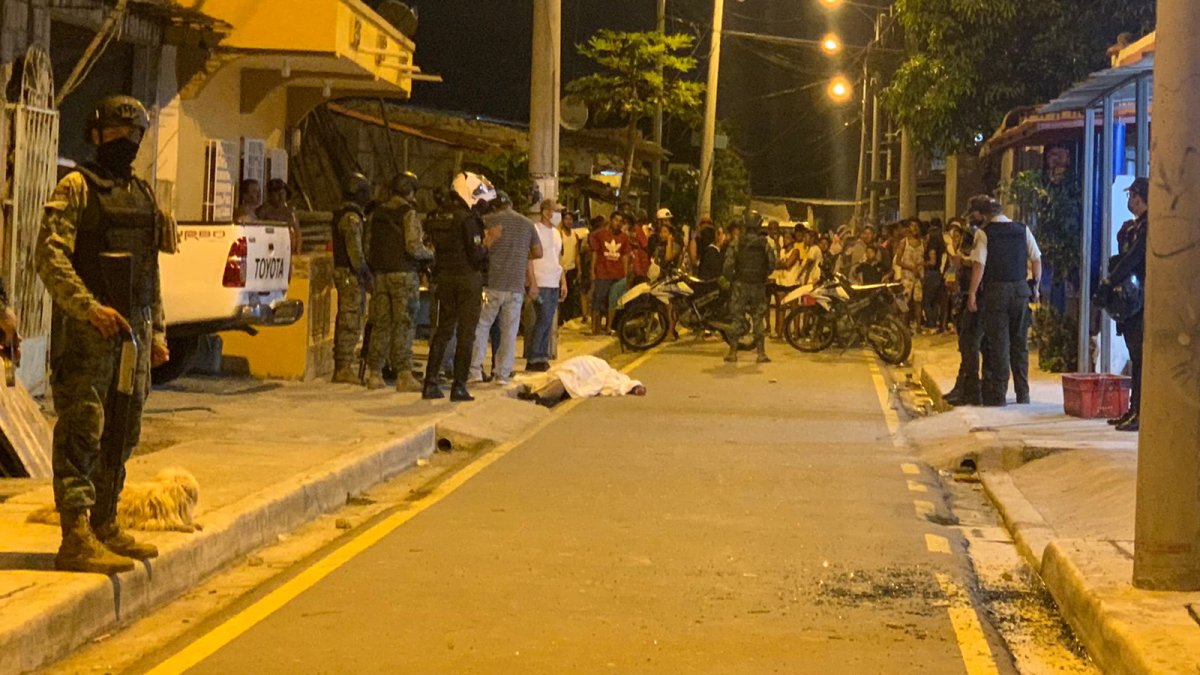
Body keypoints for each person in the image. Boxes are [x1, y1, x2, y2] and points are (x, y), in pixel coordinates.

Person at [35, 95, 174, 573]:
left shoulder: (142, 193)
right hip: (87, 332)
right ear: (96, 135)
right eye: (116, 135)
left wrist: (156, 330)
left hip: (131, 334)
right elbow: (48, 257)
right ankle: (75, 536)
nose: (126, 144)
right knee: (83, 428)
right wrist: (89, 308)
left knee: (123, 427)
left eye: (133, 137)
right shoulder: (76, 187)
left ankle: (105, 521)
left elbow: (150, 271)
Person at [423, 171, 501, 401]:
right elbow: (476, 254)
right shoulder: (467, 219)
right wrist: (490, 242)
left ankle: (430, 382)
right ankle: (459, 386)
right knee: (467, 334)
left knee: (443, 331)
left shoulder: (438, 216)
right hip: (467, 280)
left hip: (444, 278)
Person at [967, 196, 1042, 407]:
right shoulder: (1022, 229)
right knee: (1020, 344)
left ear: (984, 215)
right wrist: (1034, 286)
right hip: (1020, 291)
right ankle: (1023, 394)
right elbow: (1036, 259)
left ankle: (999, 395)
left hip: (996, 293)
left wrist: (972, 293)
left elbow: (979, 266)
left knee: (999, 344)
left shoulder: (984, 233)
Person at [362, 172, 434, 392]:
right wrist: (430, 253)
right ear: (411, 190)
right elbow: (413, 246)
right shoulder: (408, 214)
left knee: (381, 323)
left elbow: (366, 245)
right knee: (404, 324)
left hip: (380, 275)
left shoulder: (377, 213)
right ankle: (403, 373)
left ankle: (375, 373)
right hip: (403, 275)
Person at [468, 191, 540, 384]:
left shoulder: (487, 220)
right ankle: (502, 373)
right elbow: (538, 252)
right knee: (509, 330)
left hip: (493, 283)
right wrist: (519, 255)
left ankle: (475, 369)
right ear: (511, 204)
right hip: (515, 285)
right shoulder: (527, 223)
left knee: (482, 326)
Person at [1098, 177, 1148, 431]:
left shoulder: (1149, 225)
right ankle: (1133, 408)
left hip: (1142, 299)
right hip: (1131, 299)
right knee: (1135, 354)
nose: (1129, 201)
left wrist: (1109, 281)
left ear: (1141, 197)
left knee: (1140, 357)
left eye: (1132, 196)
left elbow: (1135, 258)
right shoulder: (1133, 227)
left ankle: (1140, 411)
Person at [331, 173, 373, 384]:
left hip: (347, 272)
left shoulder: (346, 214)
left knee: (351, 317)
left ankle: (344, 365)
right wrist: (366, 274)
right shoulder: (351, 218)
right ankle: (343, 367)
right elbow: (355, 252)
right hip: (349, 274)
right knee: (349, 319)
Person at [723, 217, 776, 364]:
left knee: (737, 318)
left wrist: (731, 279)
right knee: (758, 318)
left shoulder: (737, 242)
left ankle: (733, 352)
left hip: (740, 284)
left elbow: (727, 266)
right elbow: (772, 264)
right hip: (758, 285)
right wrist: (763, 275)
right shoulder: (765, 244)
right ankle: (761, 353)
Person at [526, 199, 567, 372]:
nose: (556, 214)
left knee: (548, 320)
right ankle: (534, 356)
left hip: (553, 282)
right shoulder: (535, 230)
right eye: (554, 210)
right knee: (543, 318)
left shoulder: (557, 234)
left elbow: (557, 259)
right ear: (545, 211)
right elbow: (528, 257)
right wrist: (532, 282)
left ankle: (540, 355)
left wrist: (563, 281)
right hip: (540, 282)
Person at [590, 211, 631, 335]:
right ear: (611, 220)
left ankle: (608, 326)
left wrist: (625, 274)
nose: (618, 223)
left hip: (618, 275)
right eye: (616, 220)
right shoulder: (600, 234)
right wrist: (592, 270)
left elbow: (625, 256)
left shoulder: (624, 237)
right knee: (598, 300)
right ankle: (594, 327)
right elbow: (595, 253)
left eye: (620, 221)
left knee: (613, 302)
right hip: (603, 273)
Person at [256, 178, 302, 257]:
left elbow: (297, 232)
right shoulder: (263, 211)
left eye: (282, 193)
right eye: (277, 193)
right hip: (270, 252)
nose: (280, 197)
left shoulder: (290, 212)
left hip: (288, 250)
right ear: (270, 195)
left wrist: (297, 251)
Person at [922, 223, 947, 331]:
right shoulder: (941, 246)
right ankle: (935, 321)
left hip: (931, 274)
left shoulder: (932, 246)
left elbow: (932, 261)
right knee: (935, 301)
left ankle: (931, 322)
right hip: (937, 274)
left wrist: (921, 263)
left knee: (926, 300)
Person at [558, 210, 582, 324]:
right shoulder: (559, 233)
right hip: (561, 269)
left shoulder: (575, 235)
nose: (569, 222)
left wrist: (579, 269)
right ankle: (559, 319)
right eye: (566, 219)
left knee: (570, 295)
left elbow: (577, 253)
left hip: (571, 268)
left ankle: (568, 318)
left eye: (570, 219)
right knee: (560, 295)